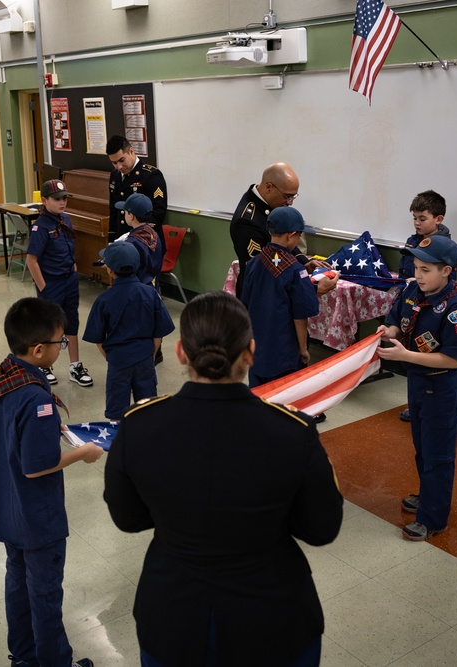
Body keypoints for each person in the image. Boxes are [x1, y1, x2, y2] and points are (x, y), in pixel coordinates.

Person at [104, 291, 344, 667]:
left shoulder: (139, 425)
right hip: (273, 618)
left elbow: (128, 519)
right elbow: (322, 528)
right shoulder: (292, 431)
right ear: (250, 352)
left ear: (181, 352)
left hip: (172, 616)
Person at [0, 297, 103, 667]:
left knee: (17, 583)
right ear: (38, 349)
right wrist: (84, 453)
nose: (62, 349)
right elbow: (37, 467)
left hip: (5, 506)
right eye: (60, 344)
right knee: (45, 593)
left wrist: (44, 432)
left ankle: (25, 657)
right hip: (35, 515)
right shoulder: (36, 399)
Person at [377, 235, 457, 541]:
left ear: (447, 271)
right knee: (422, 445)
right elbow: (396, 320)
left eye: (426, 270)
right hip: (417, 382)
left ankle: (433, 518)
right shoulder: (413, 291)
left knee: (439, 453)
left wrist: (404, 355)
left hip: (442, 386)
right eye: (416, 267)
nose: (418, 274)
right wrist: (388, 330)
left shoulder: (455, 310)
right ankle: (428, 494)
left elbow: (453, 360)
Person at [241, 207, 337, 390]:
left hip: (257, 346)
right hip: (283, 350)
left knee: (259, 392)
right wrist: (303, 349)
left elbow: (247, 300)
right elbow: (300, 315)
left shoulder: (254, 262)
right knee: (284, 396)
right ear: (291, 235)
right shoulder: (295, 269)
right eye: (299, 236)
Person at [82, 243, 174, 420]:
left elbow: (98, 339)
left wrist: (111, 357)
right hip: (145, 359)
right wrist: (151, 354)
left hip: (118, 362)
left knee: (117, 413)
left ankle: (120, 444)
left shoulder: (103, 300)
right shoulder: (150, 293)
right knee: (148, 408)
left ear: (109, 270)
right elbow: (158, 333)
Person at [25, 179, 94, 388]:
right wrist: (43, 288)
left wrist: (73, 266)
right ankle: (44, 366)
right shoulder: (40, 227)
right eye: (56, 199)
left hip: (69, 281)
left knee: (71, 321)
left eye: (64, 198)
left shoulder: (66, 219)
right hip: (51, 284)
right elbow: (32, 260)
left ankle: (75, 366)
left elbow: (69, 245)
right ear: (45, 200)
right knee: (50, 326)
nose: (62, 203)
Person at [229, 162, 326, 299]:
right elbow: (265, 271)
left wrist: (305, 262)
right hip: (261, 297)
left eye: (293, 196)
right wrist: (312, 288)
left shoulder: (272, 203)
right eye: (287, 196)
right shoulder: (246, 221)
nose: (290, 202)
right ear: (269, 187)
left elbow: (285, 243)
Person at [397, 189, 452, 422]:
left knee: (428, 354)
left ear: (438, 219)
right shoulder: (413, 241)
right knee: (412, 355)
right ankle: (416, 403)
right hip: (413, 304)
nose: (417, 223)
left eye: (422, 218)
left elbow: (446, 282)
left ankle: (429, 404)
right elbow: (406, 270)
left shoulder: (444, 247)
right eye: (415, 218)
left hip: (433, 308)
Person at [106, 135, 167, 251]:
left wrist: (132, 237)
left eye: (121, 160)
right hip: (122, 242)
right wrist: (111, 240)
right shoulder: (115, 176)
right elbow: (114, 211)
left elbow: (157, 215)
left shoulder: (151, 176)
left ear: (131, 151)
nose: (119, 166)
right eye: (114, 163)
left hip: (146, 243)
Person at [114, 193, 164, 286]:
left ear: (131, 216)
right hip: (150, 290)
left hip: (135, 291)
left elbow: (127, 272)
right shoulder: (154, 235)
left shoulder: (131, 243)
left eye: (125, 212)